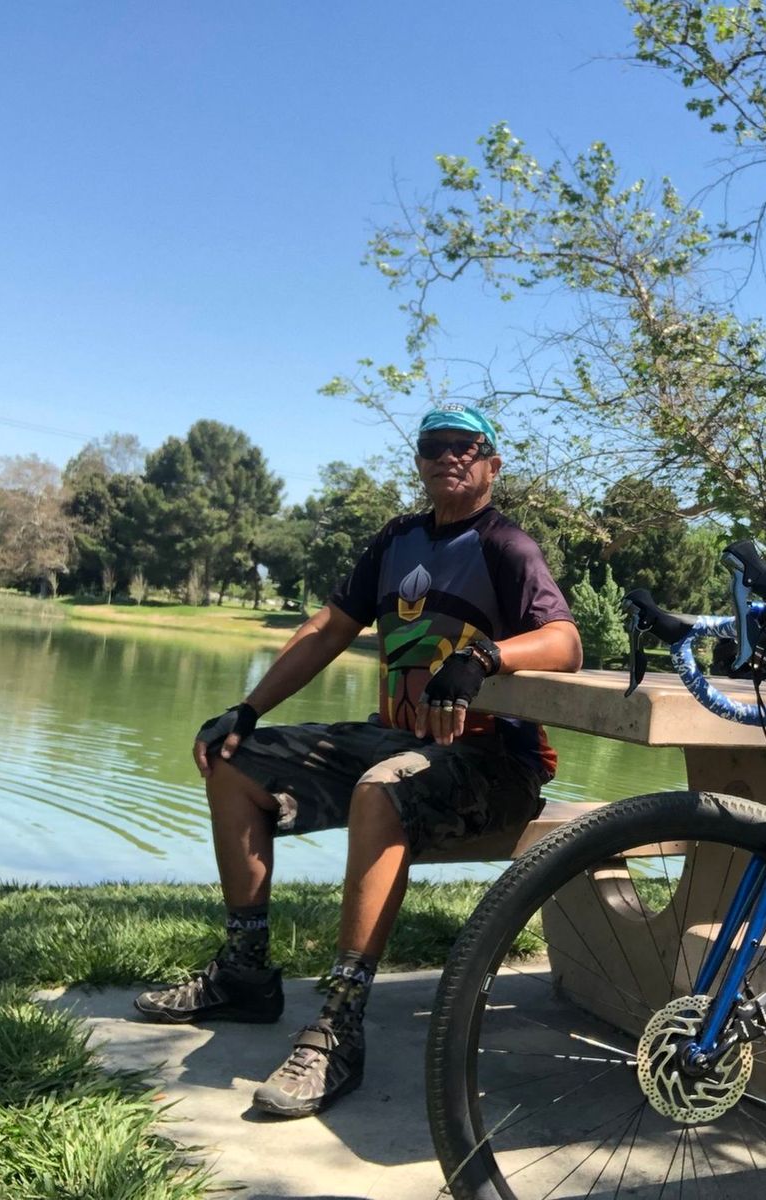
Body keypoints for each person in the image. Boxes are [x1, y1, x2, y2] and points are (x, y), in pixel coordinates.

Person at [133, 403, 582, 1118]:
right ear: (420, 462)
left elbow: (565, 642)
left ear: (492, 465)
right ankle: (245, 973)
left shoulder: (506, 545)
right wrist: (246, 710)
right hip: (399, 742)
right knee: (234, 762)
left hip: (494, 763)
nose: (449, 456)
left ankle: (340, 1023)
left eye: (466, 447)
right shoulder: (396, 541)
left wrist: (482, 658)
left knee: (381, 789)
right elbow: (328, 629)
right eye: (433, 446)